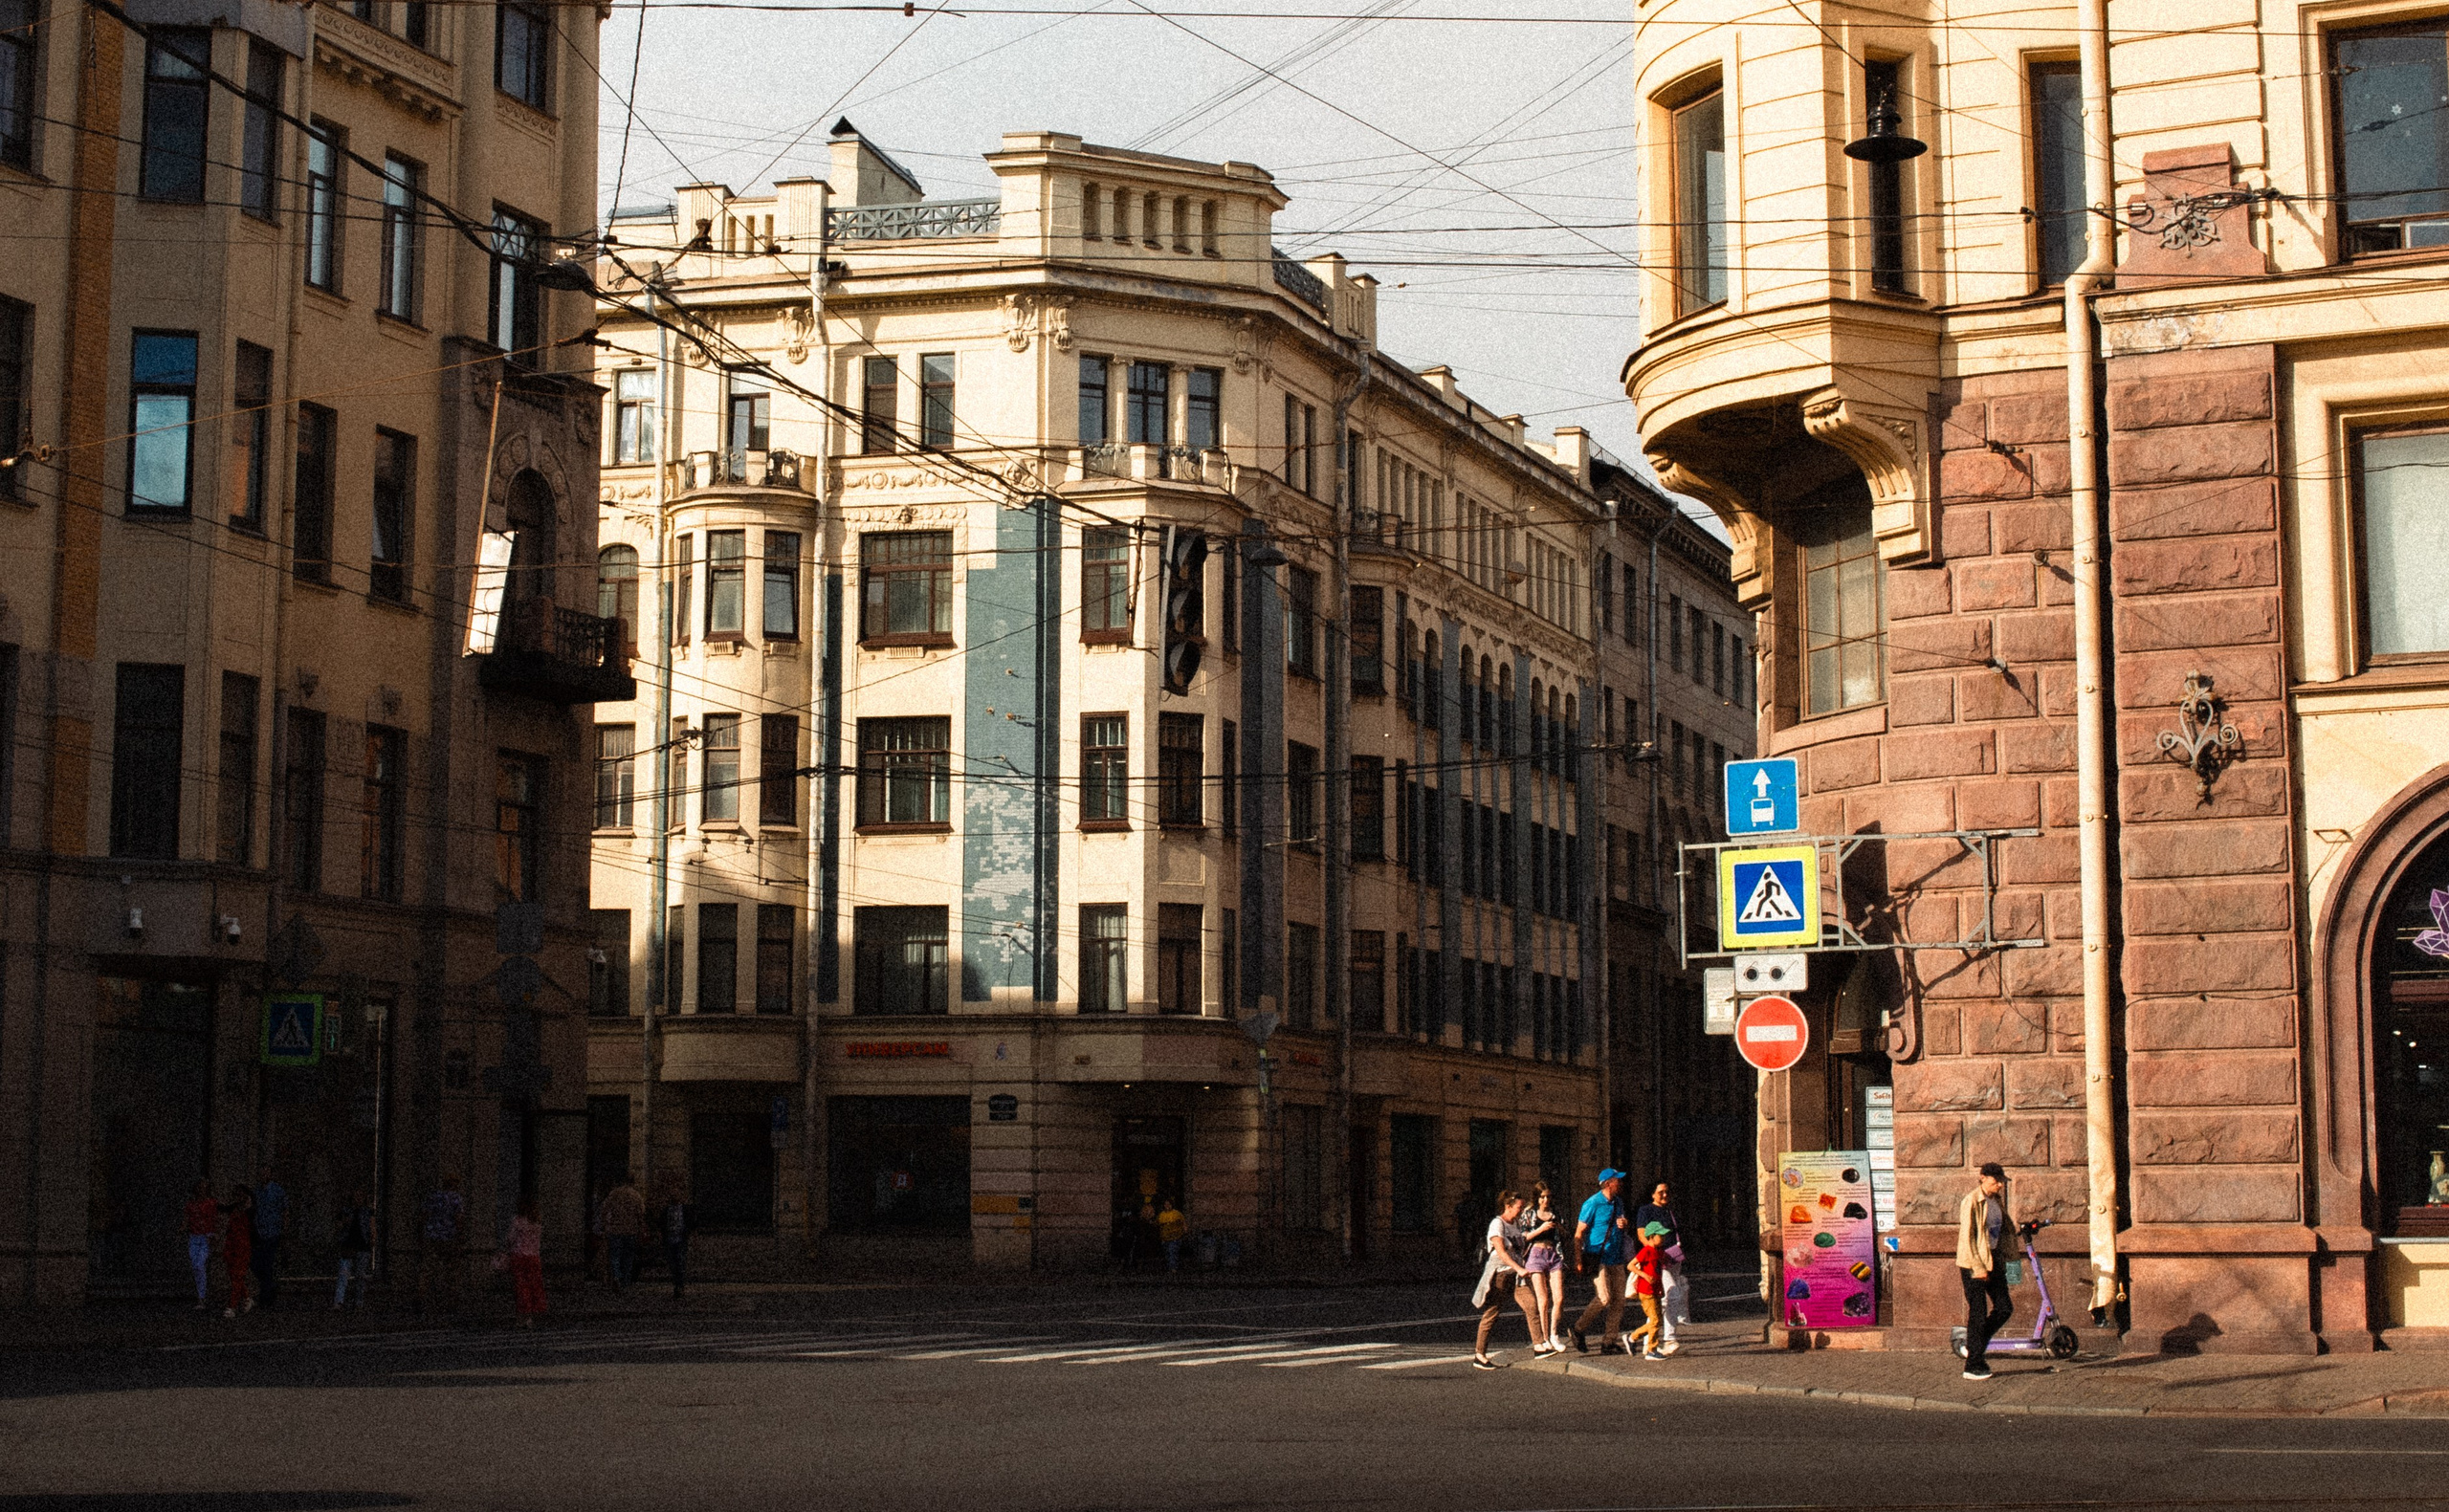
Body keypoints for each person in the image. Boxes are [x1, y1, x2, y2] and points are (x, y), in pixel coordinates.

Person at [1956, 1161, 2018, 1382]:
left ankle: (1974, 1345)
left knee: (2004, 1308)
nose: (2000, 1185)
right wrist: (1978, 1268)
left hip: (1993, 1260)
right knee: (1978, 1313)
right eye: (1996, 1181)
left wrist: (2009, 1256)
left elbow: (2002, 1232)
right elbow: (1968, 1238)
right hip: (1973, 1264)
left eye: (2002, 1181)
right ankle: (1972, 1366)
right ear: (1982, 1178)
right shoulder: (1971, 1201)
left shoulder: (1995, 1201)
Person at [1470, 1190, 1547, 1370]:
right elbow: (1501, 1252)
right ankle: (1479, 1355)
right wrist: (1520, 1268)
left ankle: (1538, 1346)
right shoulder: (1498, 1224)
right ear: (1508, 1206)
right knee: (1492, 1313)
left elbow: (1522, 1241)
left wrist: (1540, 1231)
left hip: (1516, 1276)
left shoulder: (1516, 1223)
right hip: (1500, 1274)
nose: (1521, 1211)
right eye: (1519, 1208)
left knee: (1531, 1305)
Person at [1569, 1169, 1632, 1354]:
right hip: (1598, 1256)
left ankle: (1609, 1342)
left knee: (1619, 1301)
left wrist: (1625, 1224)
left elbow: (1622, 1223)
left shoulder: (1618, 1202)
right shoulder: (1593, 1203)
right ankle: (1578, 1328)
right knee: (1604, 1298)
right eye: (1617, 1181)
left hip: (1616, 1257)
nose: (1620, 1184)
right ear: (1607, 1184)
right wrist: (1578, 1259)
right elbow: (1579, 1234)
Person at [1635, 1180, 1687, 1356]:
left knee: (1660, 1301)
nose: (1665, 1195)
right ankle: (1669, 1339)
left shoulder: (1669, 1210)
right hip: (1658, 1260)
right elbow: (1641, 1234)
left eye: (1667, 1191)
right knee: (1672, 1295)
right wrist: (1653, 1252)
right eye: (1660, 1192)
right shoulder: (1646, 1210)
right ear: (1652, 1194)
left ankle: (1648, 1340)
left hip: (1672, 1257)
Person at [1520, 1182, 1566, 1355]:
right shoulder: (1529, 1213)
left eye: (1548, 1196)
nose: (1545, 1200)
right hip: (1536, 1255)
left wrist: (1558, 1227)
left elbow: (1564, 1234)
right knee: (1543, 1299)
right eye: (1542, 1197)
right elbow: (1523, 1236)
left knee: (1559, 1298)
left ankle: (1554, 1334)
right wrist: (1540, 1229)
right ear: (1537, 1198)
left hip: (1554, 1254)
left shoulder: (1555, 1213)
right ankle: (1545, 1338)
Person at [418, 1174, 465, 1314]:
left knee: (427, 1268)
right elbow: (459, 1219)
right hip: (449, 1237)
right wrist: (460, 1235)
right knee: (451, 1269)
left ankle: (422, 1297)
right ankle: (450, 1301)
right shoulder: (456, 1199)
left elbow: (424, 1214)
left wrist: (423, 1232)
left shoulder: (433, 1196)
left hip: (432, 1236)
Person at [599, 1172, 647, 1292]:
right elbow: (641, 1213)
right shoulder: (636, 1195)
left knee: (615, 1255)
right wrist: (641, 1229)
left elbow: (604, 1209)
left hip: (615, 1229)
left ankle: (616, 1276)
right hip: (631, 1230)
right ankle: (625, 1281)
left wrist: (605, 1225)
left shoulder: (614, 1194)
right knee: (628, 1257)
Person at [1629, 1221, 1669, 1361]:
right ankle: (1651, 1349)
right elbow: (1631, 1265)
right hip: (1645, 1290)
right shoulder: (1646, 1250)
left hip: (1655, 1290)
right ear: (1651, 1236)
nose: (1663, 1238)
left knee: (1657, 1321)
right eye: (1660, 1236)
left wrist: (1661, 1289)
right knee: (1655, 1320)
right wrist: (1645, 1275)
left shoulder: (1658, 1252)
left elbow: (1658, 1273)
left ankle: (1633, 1337)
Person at [505, 1196, 547, 1326]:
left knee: (521, 1287)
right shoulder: (537, 1222)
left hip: (519, 1256)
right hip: (534, 1257)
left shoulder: (517, 1221)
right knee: (533, 1286)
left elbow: (510, 1238)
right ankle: (531, 1316)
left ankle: (522, 1316)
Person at [251, 1166, 287, 1310]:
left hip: (273, 1232)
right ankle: (269, 1286)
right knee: (255, 1262)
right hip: (260, 1232)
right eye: (262, 1172)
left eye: (266, 1172)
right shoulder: (257, 1192)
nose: (263, 1175)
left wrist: (284, 1229)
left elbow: (285, 1210)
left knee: (267, 1264)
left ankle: (265, 1297)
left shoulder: (278, 1191)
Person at [332, 1192, 375, 1309]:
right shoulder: (347, 1211)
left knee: (359, 1275)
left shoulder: (367, 1212)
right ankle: (340, 1300)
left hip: (362, 1245)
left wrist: (372, 1239)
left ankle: (358, 1301)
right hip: (349, 1245)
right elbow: (339, 1225)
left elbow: (371, 1226)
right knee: (344, 1274)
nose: (358, 1199)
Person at [183, 1178, 219, 1311]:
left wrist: (213, 1234)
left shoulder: (211, 1203)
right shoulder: (191, 1205)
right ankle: (201, 1294)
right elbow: (187, 1220)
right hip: (194, 1236)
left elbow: (214, 1219)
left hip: (205, 1236)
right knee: (195, 1265)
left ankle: (202, 1296)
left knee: (199, 1265)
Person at [220, 1185, 254, 1319]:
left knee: (238, 1276)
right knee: (234, 1276)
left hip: (242, 1246)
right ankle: (246, 1297)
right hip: (232, 1245)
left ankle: (232, 1305)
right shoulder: (235, 1208)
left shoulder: (250, 1210)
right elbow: (224, 1208)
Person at [659, 1186, 695, 1302]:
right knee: (673, 1264)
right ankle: (677, 1284)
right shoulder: (666, 1210)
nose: (674, 1197)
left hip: (680, 1239)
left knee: (680, 1263)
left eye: (676, 1195)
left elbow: (690, 1221)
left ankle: (679, 1286)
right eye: (672, 1195)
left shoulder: (685, 1209)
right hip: (669, 1239)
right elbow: (661, 1223)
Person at [1156, 1197, 1189, 1273]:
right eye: (1165, 1204)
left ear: (1172, 1205)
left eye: (1169, 1204)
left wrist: (1185, 1230)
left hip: (1175, 1237)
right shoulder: (1161, 1215)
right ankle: (1170, 1267)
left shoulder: (1177, 1214)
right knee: (1167, 1253)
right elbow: (1158, 1224)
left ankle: (1173, 1268)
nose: (1167, 1206)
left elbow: (1183, 1222)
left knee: (1172, 1252)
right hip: (1165, 1238)